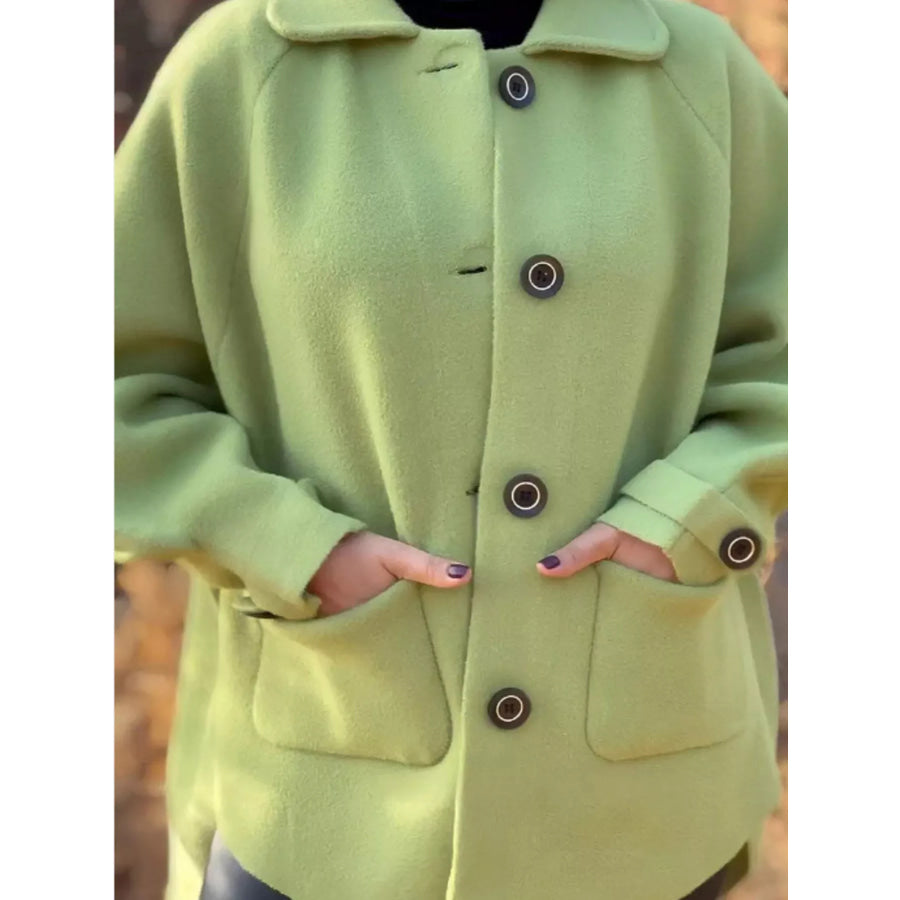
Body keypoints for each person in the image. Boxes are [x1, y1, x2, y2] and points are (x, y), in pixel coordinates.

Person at [114, 0, 787, 897]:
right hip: (320, 786)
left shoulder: (697, 66)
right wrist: (291, 548)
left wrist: (690, 518)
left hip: (642, 801)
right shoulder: (240, 67)